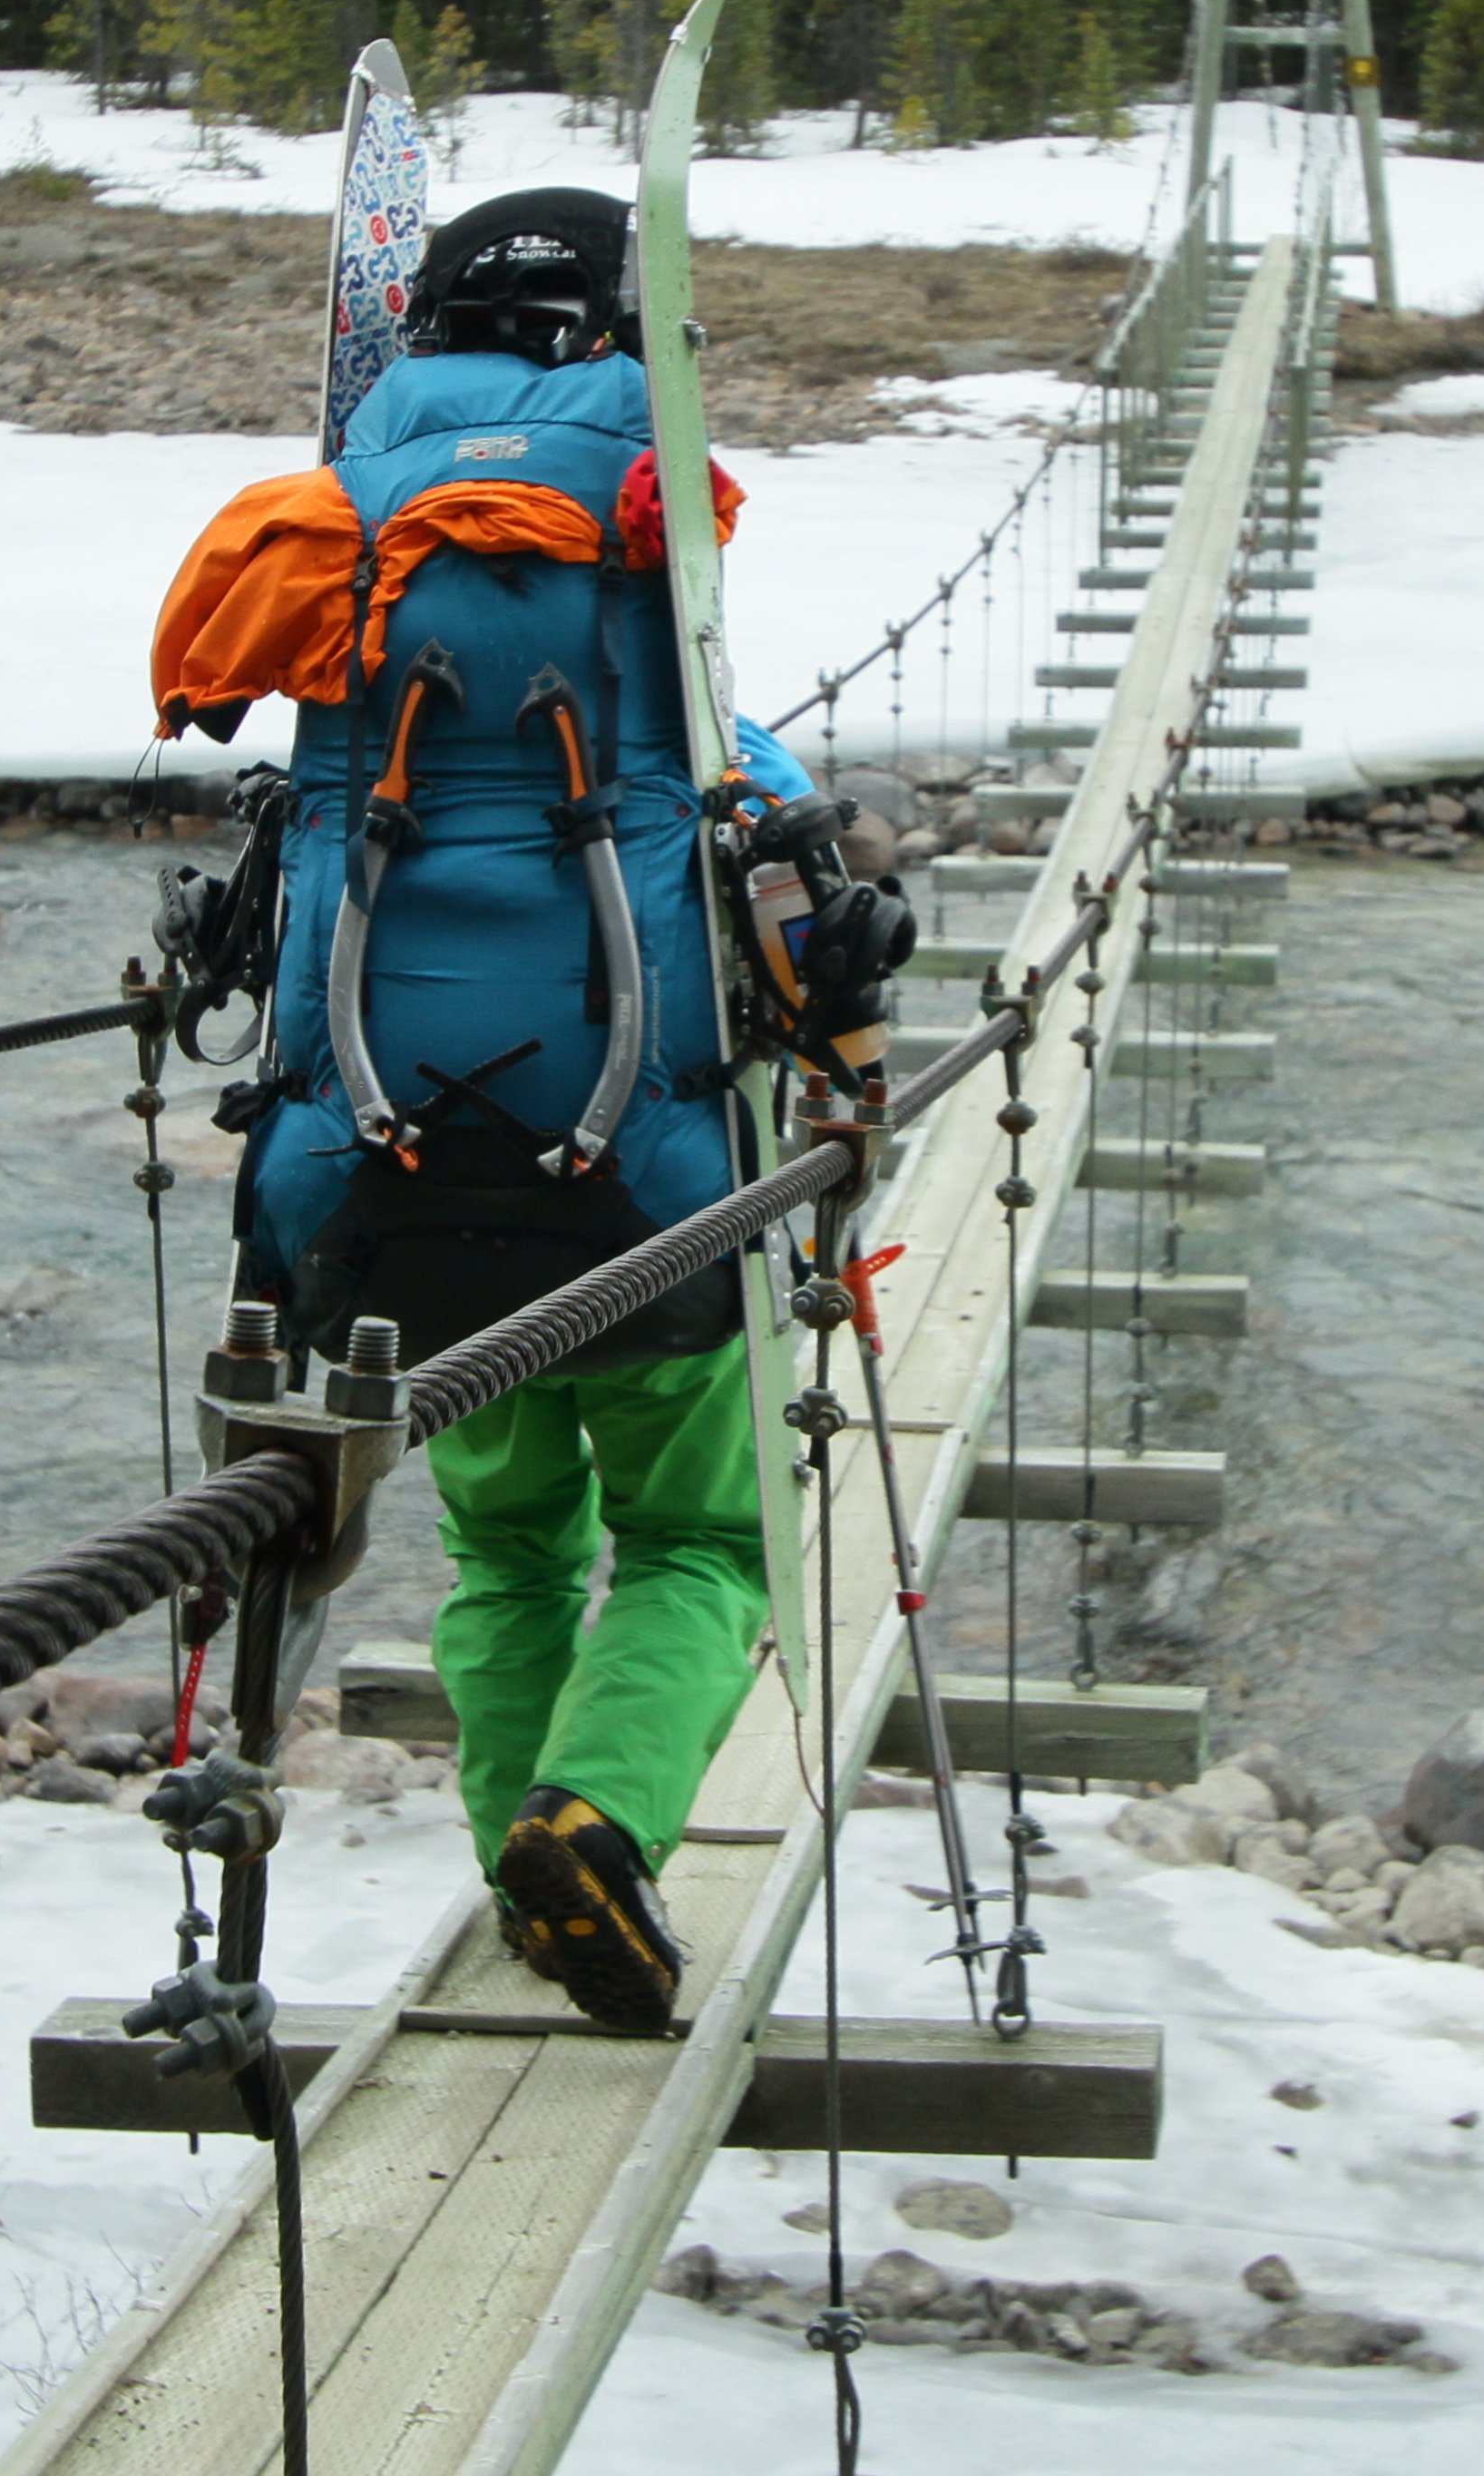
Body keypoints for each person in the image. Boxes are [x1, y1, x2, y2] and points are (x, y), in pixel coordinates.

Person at [149, 185, 897, 2032]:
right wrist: (849, 1047)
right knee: (705, 1542)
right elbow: (764, 825)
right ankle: (594, 1821)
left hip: (379, 1177)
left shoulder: (339, 527)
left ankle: (519, 1868)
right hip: (641, 1167)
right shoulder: (648, 550)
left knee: (505, 1549)